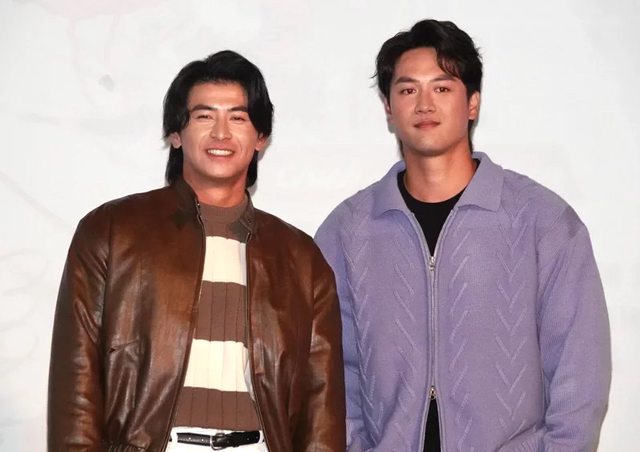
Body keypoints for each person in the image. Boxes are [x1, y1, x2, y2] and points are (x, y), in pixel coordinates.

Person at [315, 19, 610, 451]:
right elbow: (328, 376)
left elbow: (580, 379)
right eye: (407, 90)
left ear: (472, 103)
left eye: (442, 87)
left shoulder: (544, 223)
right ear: (388, 108)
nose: (424, 104)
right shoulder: (346, 232)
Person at [48, 50, 345, 452]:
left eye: (238, 118)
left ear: (261, 138)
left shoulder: (300, 258)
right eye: (204, 116)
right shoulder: (110, 231)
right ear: (175, 133)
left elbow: (321, 406)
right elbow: (76, 384)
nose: (221, 133)